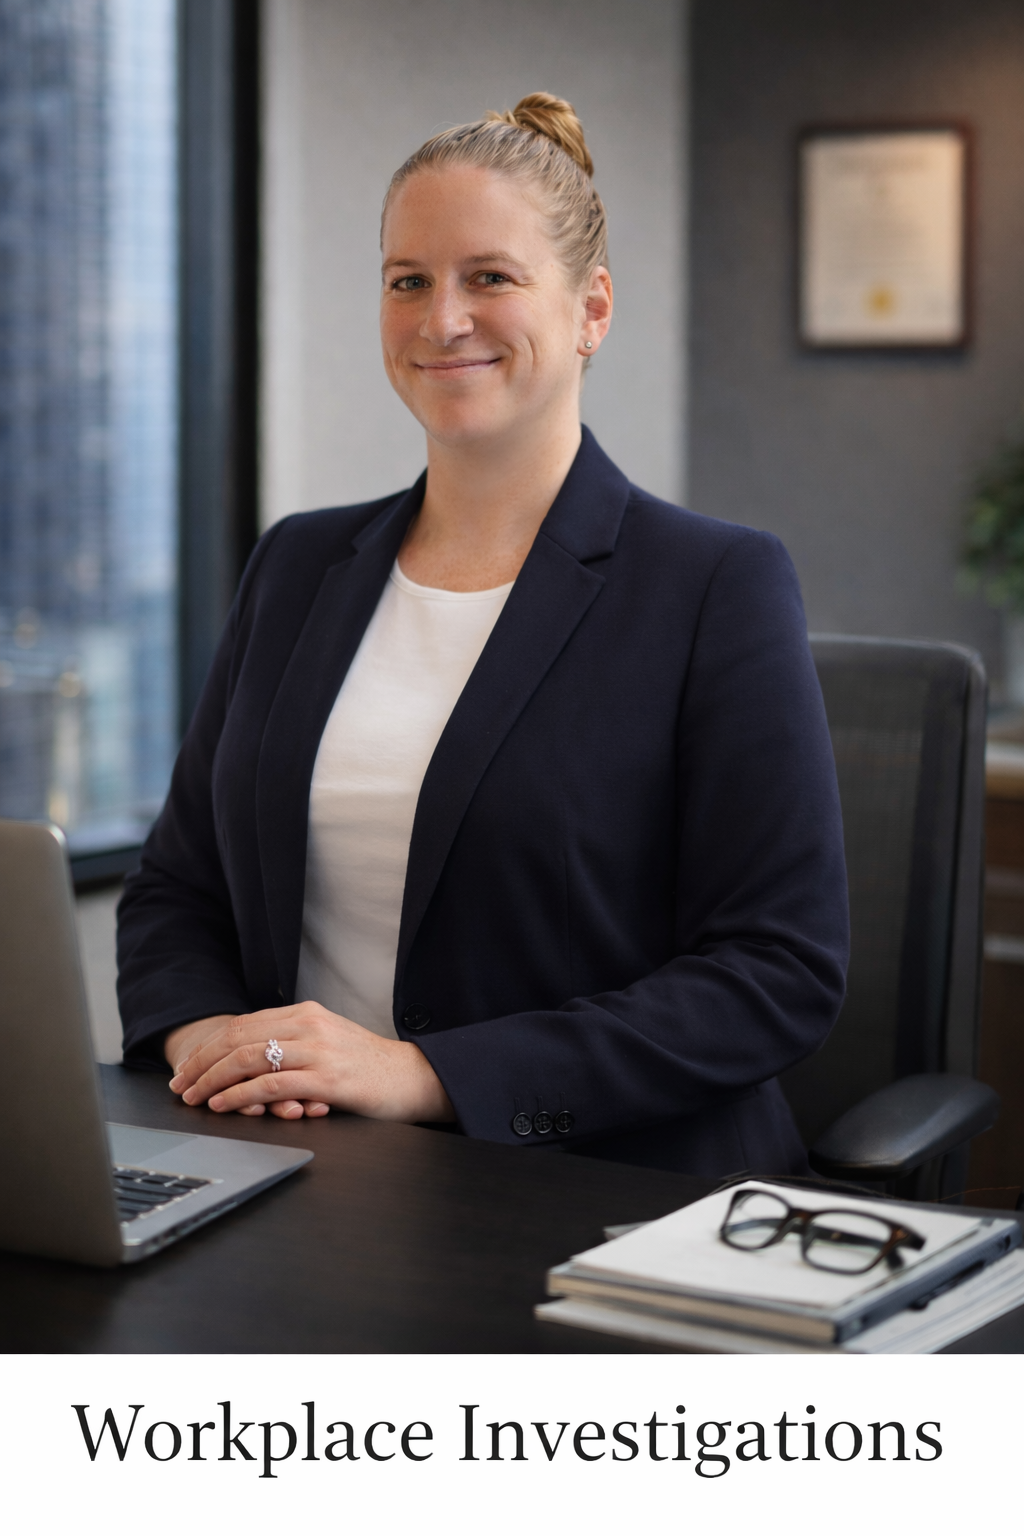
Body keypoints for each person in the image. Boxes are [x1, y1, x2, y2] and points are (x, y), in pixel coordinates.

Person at [117, 93, 849, 1176]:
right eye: (406, 279)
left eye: (489, 278)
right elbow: (178, 890)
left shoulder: (713, 584)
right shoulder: (296, 567)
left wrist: (425, 1075)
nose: (439, 318)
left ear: (591, 309)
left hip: (589, 1191)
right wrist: (217, 1049)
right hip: (297, 1171)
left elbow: (776, 972)